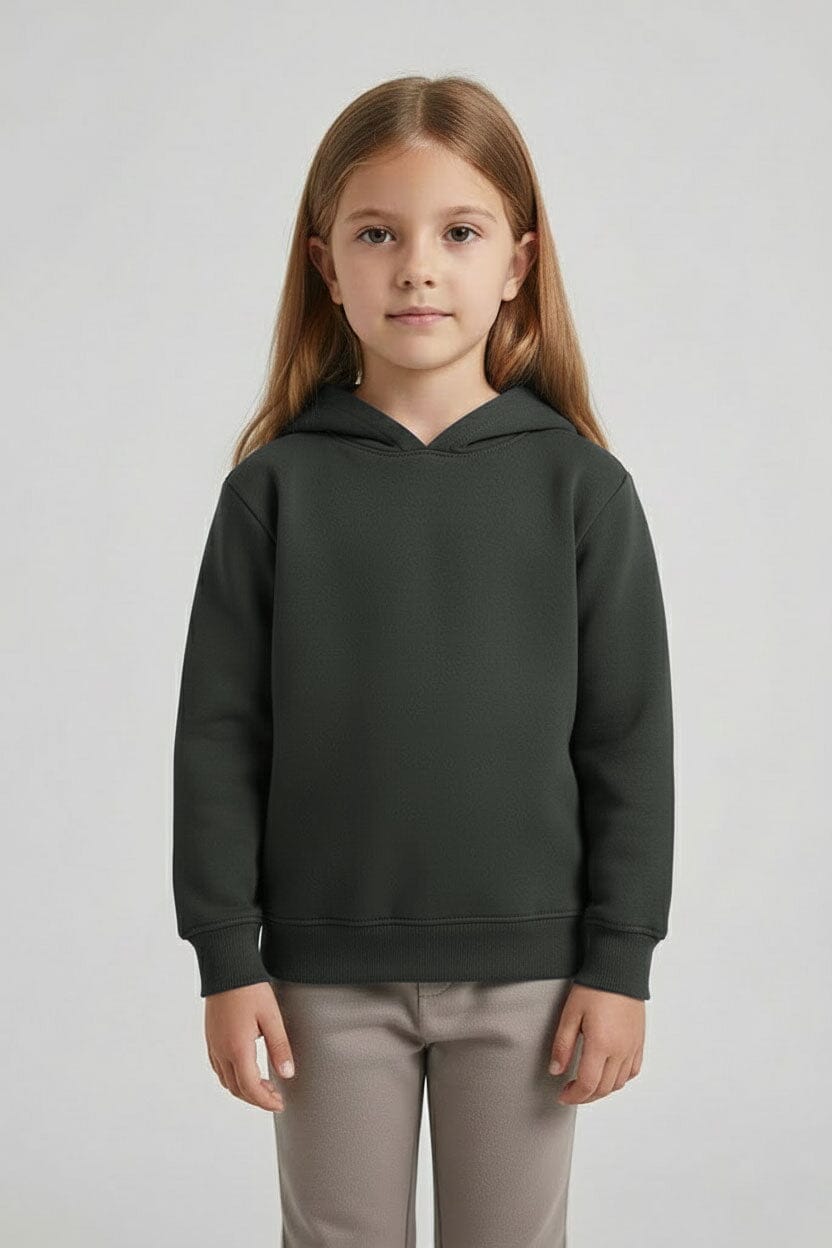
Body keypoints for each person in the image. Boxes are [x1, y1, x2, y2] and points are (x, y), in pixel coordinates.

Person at [171, 73, 675, 1247]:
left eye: (458, 232)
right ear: (324, 263)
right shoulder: (273, 492)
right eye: (376, 234)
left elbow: (627, 741)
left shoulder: (581, 490)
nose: (416, 269)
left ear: (517, 262)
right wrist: (227, 960)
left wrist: (620, 963)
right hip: (318, 981)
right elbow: (220, 738)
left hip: (535, 980)